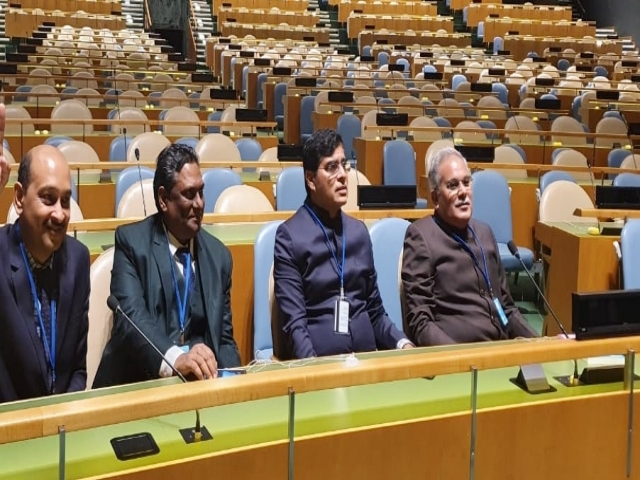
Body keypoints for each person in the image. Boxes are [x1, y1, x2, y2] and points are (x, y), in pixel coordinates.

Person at [93, 144, 241, 387]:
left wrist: (235, 383)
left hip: (198, 387)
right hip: (139, 384)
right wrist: (176, 358)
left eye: (202, 192)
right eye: (189, 194)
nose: (200, 204)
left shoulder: (219, 257)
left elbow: (223, 339)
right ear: (163, 199)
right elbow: (131, 319)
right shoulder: (132, 243)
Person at [273, 129, 413, 359]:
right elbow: (295, 327)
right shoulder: (290, 237)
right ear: (310, 180)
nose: (342, 176)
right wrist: (317, 373)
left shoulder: (358, 233)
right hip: (321, 370)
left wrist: (402, 344)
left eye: (343, 165)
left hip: (367, 365)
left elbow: (375, 312)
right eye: (331, 167)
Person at [401, 147, 537, 346]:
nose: (463, 192)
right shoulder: (421, 236)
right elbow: (420, 323)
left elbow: (506, 308)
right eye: (453, 185)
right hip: (459, 358)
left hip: (499, 349)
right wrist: (458, 357)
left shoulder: (485, 233)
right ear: (435, 197)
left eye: (466, 182)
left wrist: (541, 343)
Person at [0, 143, 90, 402]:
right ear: (19, 198)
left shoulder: (78, 259)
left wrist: (58, 419)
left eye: (65, 200)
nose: (60, 214)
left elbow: (78, 369)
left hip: (60, 428)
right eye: (48, 198)